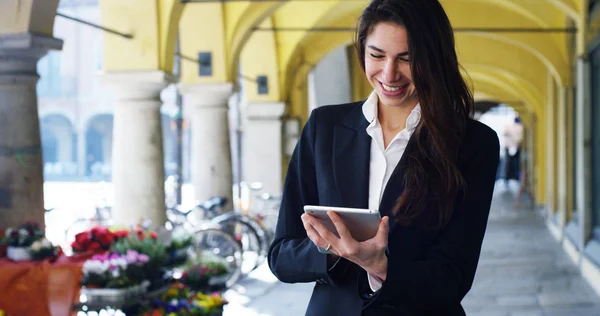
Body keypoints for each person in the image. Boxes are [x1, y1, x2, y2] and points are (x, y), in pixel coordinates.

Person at [267, 0, 500, 315]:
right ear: (362, 50)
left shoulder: (473, 143)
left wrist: (380, 267)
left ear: (435, 60)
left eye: (408, 59)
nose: (389, 74)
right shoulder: (324, 128)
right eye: (376, 55)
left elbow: (453, 278)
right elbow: (281, 256)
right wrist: (334, 251)